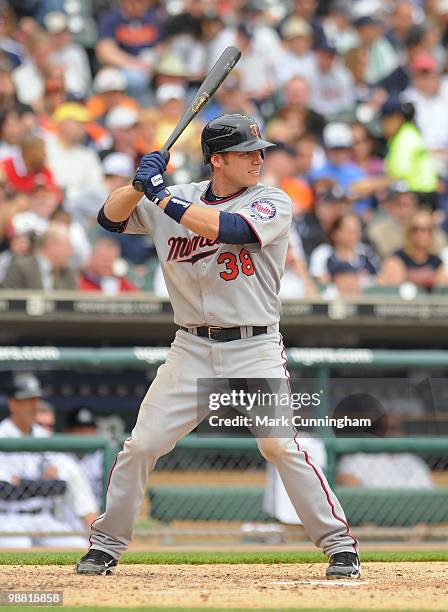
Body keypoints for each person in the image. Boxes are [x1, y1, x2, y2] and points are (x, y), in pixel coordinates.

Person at [75, 113, 360, 579]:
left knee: (278, 445)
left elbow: (230, 230)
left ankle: (339, 545)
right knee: (141, 445)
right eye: (247, 152)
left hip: (255, 344)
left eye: (259, 150)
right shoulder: (178, 196)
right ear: (217, 160)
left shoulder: (271, 199)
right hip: (190, 347)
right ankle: (106, 545)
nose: (258, 159)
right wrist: (137, 182)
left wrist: (161, 195)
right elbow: (110, 218)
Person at [0, 373, 95, 547]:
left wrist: (23, 484)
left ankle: (99, 537)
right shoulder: (2, 434)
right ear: (12, 403)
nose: (34, 405)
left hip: (42, 518)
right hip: (8, 518)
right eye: (28, 400)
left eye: (36, 399)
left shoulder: (43, 436)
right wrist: (43, 484)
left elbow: (62, 484)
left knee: (76, 546)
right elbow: (5, 489)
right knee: (19, 545)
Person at [381, 209, 447, 291]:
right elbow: (392, 290)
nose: (422, 233)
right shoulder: (397, 259)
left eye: (428, 229)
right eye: (416, 229)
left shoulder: (437, 262)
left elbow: (442, 291)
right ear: (408, 231)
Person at [2, 222, 77, 290]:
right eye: (68, 246)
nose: (71, 253)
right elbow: (10, 301)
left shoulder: (68, 273)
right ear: (52, 246)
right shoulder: (19, 268)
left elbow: (74, 303)